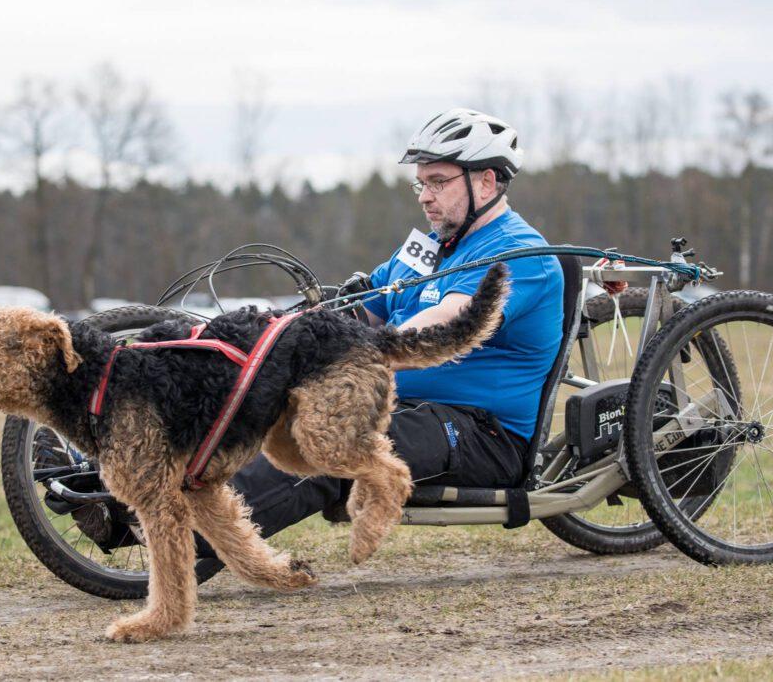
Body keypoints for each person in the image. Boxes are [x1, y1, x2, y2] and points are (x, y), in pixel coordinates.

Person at [198, 108, 564, 556]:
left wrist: (349, 356)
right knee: (269, 408)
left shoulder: (521, 254)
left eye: (439, 182)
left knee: (330, 445)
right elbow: (361, 311)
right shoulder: (429, 246)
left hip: (480, 430)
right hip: (400, 404)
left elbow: (444, 326)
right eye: (421, 183)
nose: (425, 197)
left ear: (486, 181)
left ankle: (189, 534)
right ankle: (129, 497)